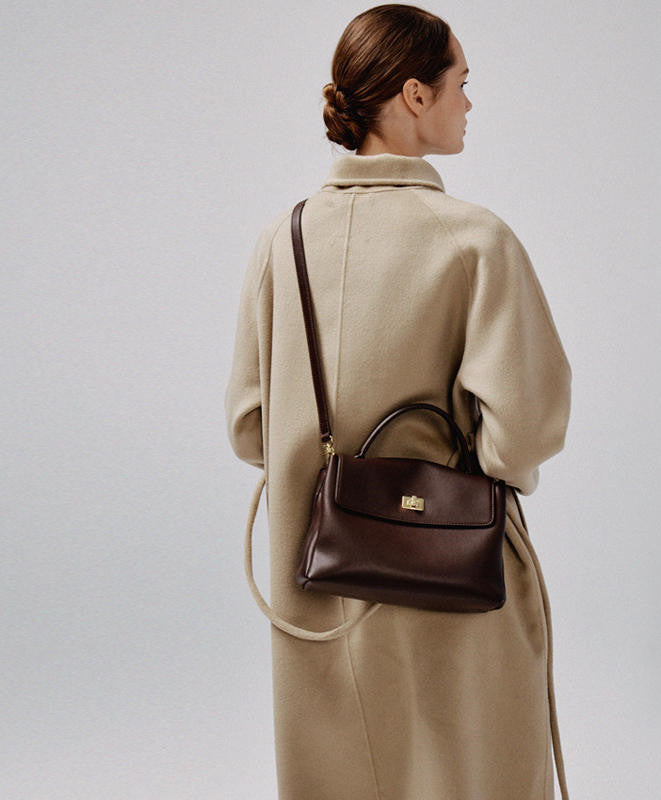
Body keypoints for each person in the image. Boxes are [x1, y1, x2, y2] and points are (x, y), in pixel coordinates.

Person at [224, 5, 572, 799]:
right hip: (456, 574)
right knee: (472, 770)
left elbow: (250, 426)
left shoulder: (285, 239)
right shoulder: (475, 241)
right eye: (462, 83)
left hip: (320, 581)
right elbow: (525, 428)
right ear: (414, 94)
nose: (469, 103)